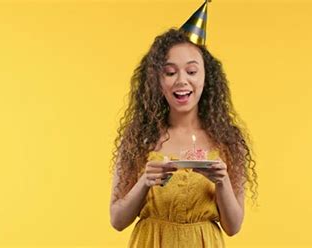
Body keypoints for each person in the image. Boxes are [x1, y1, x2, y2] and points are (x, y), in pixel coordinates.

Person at [110, 2, 257, 247]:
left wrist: (222, 181)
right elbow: (117, 220)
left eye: (191, 71)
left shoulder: (228, 140)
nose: (182, 81)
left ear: (206, 78)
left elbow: (233, 227)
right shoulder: (139, 138)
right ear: (157, 80)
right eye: (170, 72)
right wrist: (145, 181)